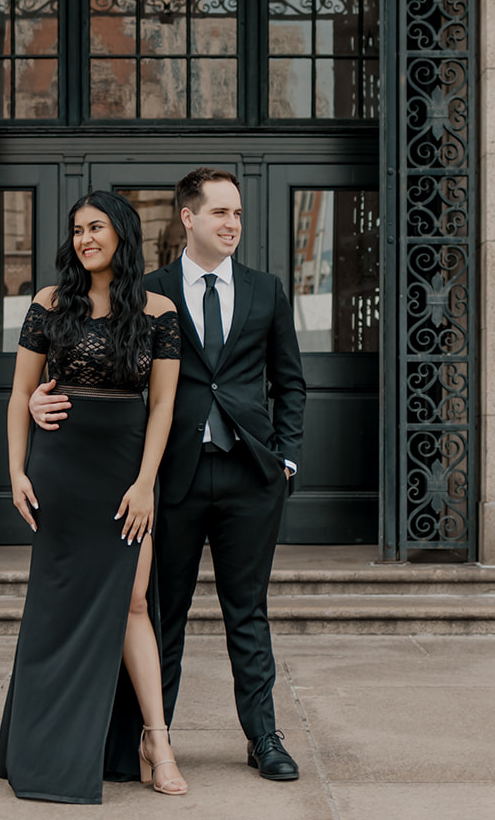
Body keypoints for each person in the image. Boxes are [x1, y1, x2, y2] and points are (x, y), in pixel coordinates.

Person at [31, 168, 306, 782]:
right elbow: (90, 365)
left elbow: (290, 381)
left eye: (237, 213)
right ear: (188, 217)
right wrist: (33, 402)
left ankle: (263, 737)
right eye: (220, 213)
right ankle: (157, 740)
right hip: (165, 480)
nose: (232, 224)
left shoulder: (267, 290)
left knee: (248, 612)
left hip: (249, 477)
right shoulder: (146, 291)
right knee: (160, 614)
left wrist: (284, 460)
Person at [0, 190, 186, 803]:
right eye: (77, 230)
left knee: (132, 600)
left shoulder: (159, 311)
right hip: (61, 472)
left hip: (127, 474)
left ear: (121, 234)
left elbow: (162, 406)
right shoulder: (49, 304)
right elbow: (21, 393)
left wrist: (146, 482)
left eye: (96, 227)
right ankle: (44, 749)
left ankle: (157, 739)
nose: (85, 239)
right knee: (55, 607)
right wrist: (17, 473)